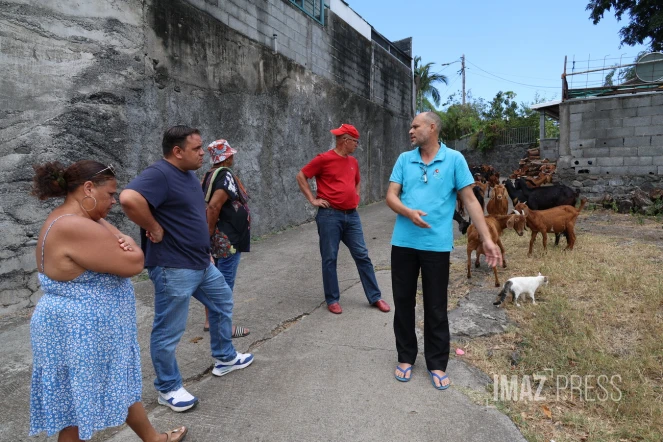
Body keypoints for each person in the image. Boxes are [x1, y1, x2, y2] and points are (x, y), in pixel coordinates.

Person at [29, 160, 187, 442]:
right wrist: (128, 240)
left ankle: (153, 439)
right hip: (81, 331)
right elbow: (135, 263)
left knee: (117, 385)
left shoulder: (71, 219)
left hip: (78, 329)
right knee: (73, 416)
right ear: (88, 188)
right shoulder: (75, 226)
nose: (114, 200)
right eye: (111, 193)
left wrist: (103, 223)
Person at [119, 126, 254, 413]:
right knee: (169, 330)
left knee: (222, 302)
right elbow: (129, 198)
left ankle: (225, 357)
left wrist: (206, 253)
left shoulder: (188, 175)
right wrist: (153, 227)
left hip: (200, 262)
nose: (203, 153)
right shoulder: (160, 174)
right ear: (177, 151)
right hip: (173, 266)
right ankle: (168, 388)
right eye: (197, 148)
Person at [385, 112, 502, 390]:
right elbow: (390, 195)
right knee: (403, 303)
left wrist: (486, 237)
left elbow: (470, 200)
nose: (410, 131)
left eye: (416, 126)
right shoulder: (405, 159)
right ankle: (406, 357)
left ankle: (437, 362)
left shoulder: (454, 160)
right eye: (410, 126)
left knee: (436, 306)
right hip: (402, 243)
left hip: (436, 246)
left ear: (432, 127)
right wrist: (407, 212)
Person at [296, 123, 390, 315]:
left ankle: (375, 297)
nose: (357, 145)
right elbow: (301, 176)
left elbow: (357, 182)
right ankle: (332, 299)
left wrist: (356, 198)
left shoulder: (353, 162)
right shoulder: (323, 159)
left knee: (362, 255)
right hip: (330, 216)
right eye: (355, 141)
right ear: (345, 141)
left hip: (352, 217)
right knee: (330, 258)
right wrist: (313, 200)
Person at [202, 139, 250, 338]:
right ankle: (223, 327)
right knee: (224, 284)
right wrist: (210, 232)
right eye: (230, 154)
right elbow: (213, 206)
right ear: (227, 157)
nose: (232, 157)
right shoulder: (224, 175)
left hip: (221, 237)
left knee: (215, 281)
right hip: (226, 240)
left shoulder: (209, 175)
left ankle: (210, 321)